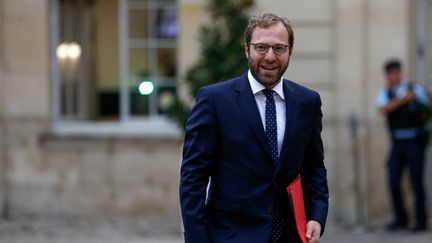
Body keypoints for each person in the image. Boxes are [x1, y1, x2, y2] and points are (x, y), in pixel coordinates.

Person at [180, 13, 329, 243]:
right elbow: (193, 178)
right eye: (261, 47)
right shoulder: (214, 100)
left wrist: (316, 216)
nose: (270, 56)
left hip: (291, 236)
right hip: (230, 235)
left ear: (290, 51)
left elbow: (314, 168)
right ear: (247, 50)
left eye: (279, 48)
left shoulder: (307, 102)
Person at [376, 59, 429, 231]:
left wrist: (413, 99)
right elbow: (382, 108)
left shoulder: (414, 89)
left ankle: (421, 220)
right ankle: (401, 219)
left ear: (399, 73)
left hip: (415, 142)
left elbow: (427, 105)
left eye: (392, 73)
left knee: (416, 182)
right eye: (388, 74)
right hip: (398, 143)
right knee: (393, 180)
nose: (390, 77)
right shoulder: (386, 93)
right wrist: (403, 100)